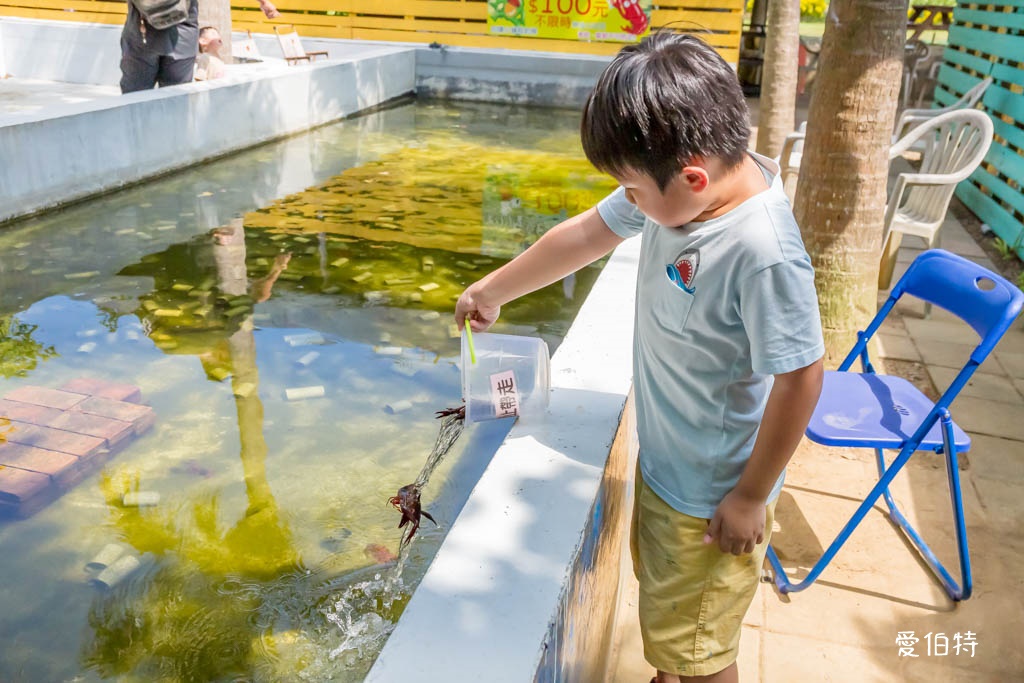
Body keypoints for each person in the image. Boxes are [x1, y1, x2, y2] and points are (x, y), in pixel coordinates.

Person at [454, 33, 824, 683]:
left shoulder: (762, 251)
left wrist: (750, 495)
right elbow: (586, 234)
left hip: (713, 495)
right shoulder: (686, 185)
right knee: (679, 622)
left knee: (704, 648)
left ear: (693, 177)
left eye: (632, 190)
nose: (628, 203)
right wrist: (493, 289)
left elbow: (802, 376)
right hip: (668, 462)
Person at [120, 0, 280, 94]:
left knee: (135, 97)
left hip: (144, 35)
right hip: (178, 36)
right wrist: (264, 2)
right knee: (175, 99)